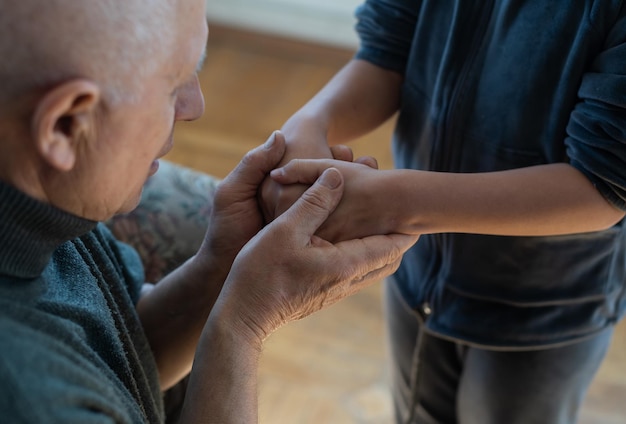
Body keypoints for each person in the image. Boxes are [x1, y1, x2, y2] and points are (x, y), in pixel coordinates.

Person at [0, 0, 419, 422]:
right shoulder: (32, 401)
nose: (195, 106)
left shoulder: (45, 198)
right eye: (174, 84)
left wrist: (221, 264)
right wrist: (243, 324)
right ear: (65, 126)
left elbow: (121, 354)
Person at [261, 1, 626, 423]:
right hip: (414, 267)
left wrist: (395, 203)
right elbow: (388, 51)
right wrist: (312, 122)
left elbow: (604, 183)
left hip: (545, 305)